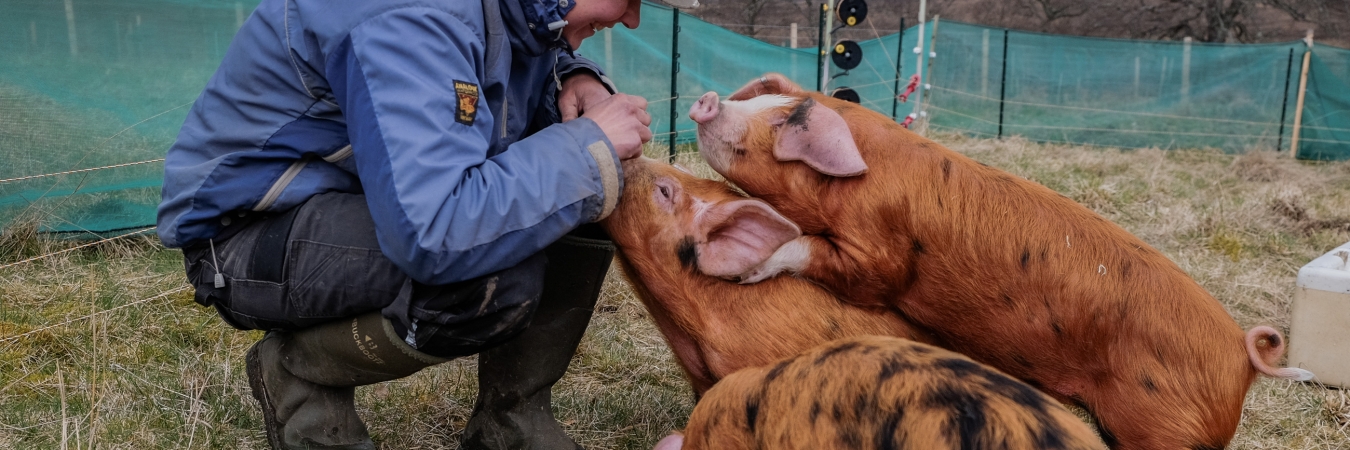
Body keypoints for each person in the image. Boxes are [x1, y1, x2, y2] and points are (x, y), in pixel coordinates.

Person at [157, 0, 697, 448]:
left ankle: (511, 428)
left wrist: (575, 76)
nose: (631, 20)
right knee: (494, 276)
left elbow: (515, 49)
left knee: (594, 189)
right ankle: (300, 375)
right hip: (246, 233)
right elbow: (435, 230)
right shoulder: (404, 15)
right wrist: (586, 149)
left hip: (359, 205)